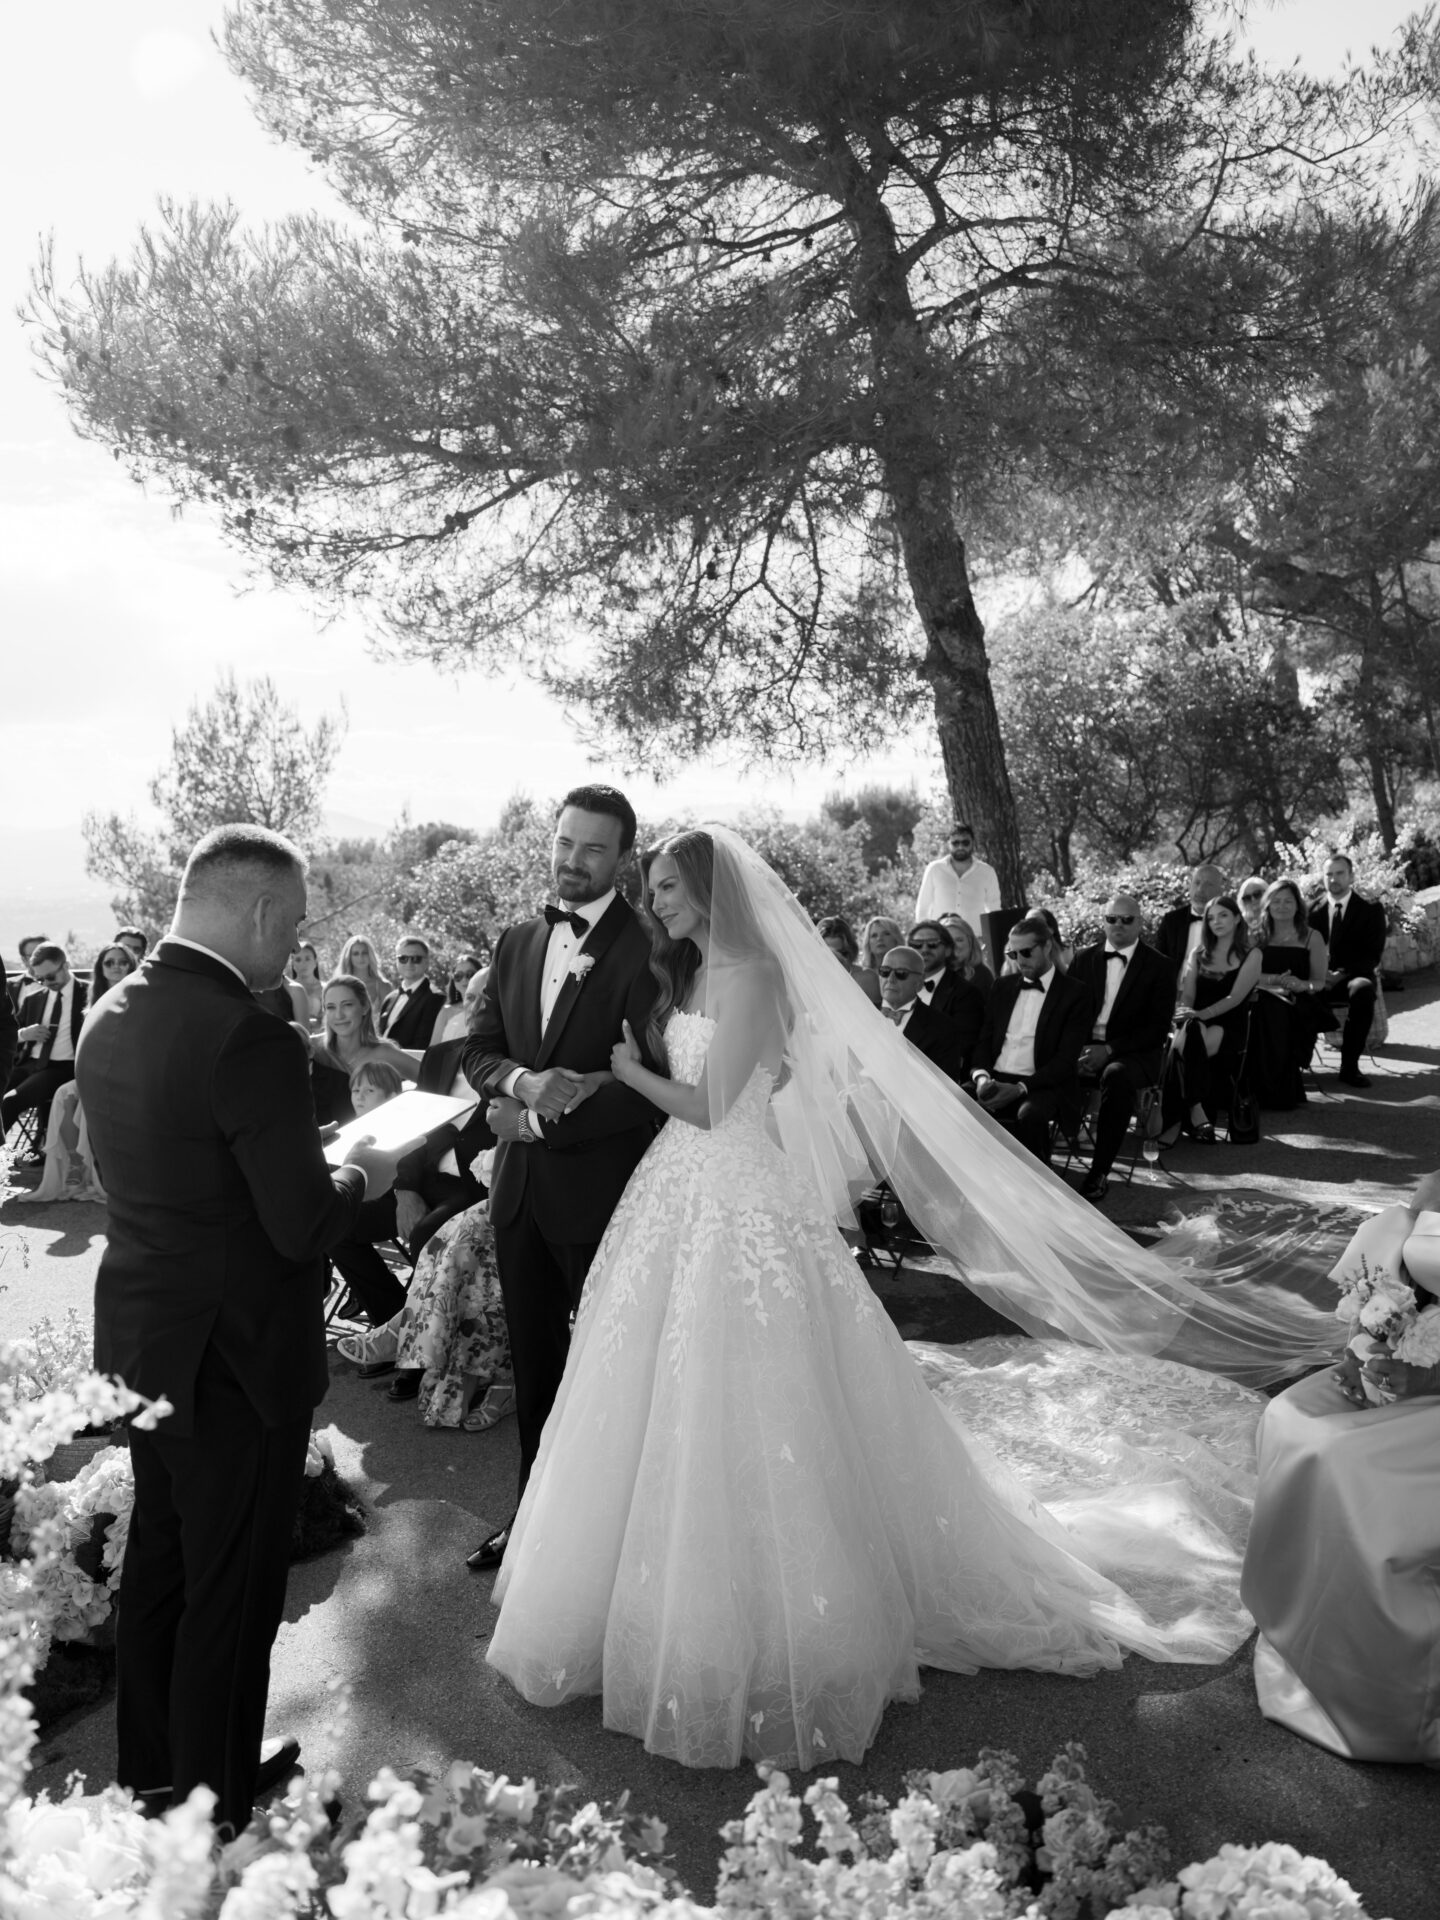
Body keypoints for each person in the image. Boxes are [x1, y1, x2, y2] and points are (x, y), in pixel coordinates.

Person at [485, 825, 1332, 1772]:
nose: (660, 902)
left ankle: (787, 1607)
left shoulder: (756, 974)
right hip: (676, 1193)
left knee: (761, 1385)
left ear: (714, 890)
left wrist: (633, 1071)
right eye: (654, 888)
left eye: (671, 886)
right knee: (656, 1377)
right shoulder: (681, 975)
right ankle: (646, 1595)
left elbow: (717, 1105)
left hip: (734, 1191)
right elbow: (777, 1073)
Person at [75, 823, 399, 1836]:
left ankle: (156, 1773)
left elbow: (192, 1165)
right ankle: (212, 1801)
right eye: (294, 924)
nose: (295, 947)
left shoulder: (111, 1012)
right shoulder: (248, 1033)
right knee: (233, 1587)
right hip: (235, 1355)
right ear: (257, 910)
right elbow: (301, 1221)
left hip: (145, 1340)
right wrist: (362, 1173)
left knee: (163, 1566)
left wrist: (296, 1158)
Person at [460, 785, 662, 1573]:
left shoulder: (650, 947)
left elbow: (654, 1083)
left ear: (623, 859)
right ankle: (533, 1522)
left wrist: (538, 1120)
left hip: (603, 1191)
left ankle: (619, 1538)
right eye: (564, 843)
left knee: (610, 1367)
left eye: (593, 849)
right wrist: (516, 1084)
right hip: (518, 1197)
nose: (572, 862)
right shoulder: (515, 940)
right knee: (537, 1366)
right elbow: (476, 1051)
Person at [1241, 1174, 1440, 1763]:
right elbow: (1394, 1268)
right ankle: (1296, 1627)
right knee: (1288, 1415)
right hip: (1415, 1364)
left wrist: (1428, 1373)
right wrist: (1369, 1346)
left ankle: (1383, 1697)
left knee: (1348, 1461)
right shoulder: (1435, 1187)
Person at [1067, 896, 1178, 1203]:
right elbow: (1069, 1013)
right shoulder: (1083, 958)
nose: (1118, 925)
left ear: (1140, 924)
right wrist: (1078, 1049)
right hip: (1086, 1048)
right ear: (1103, 921)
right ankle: (1036, 1163)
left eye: (1127, 919)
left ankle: (1099, 1171)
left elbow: (1156, 1030)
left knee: (1116, 1077)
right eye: (1112, 918)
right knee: (1046, 1066)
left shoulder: (1160, 966)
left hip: (1134, 1053)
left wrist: (1111, 1050)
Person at [966, 916, 1092, 1164]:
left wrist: (1020, 1089)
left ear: (1047, 947)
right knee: (954, 1101)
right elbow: (983, 1042)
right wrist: (981, 1079)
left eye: (1026, 952)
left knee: (1030, 1116)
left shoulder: (1075, 993)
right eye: (1013, 954)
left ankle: (1040, 1186)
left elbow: (1065, 1060)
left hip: (1042, 1083)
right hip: (994, 1077)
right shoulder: (1001, 987)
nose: (1020, 960)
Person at [1161, 896, 1261, 1144]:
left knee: (1181, 1047)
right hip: (1195, 1024)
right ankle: (1195, 1110)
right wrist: (1187, 1013)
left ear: (1237, 918)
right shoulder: (1198, 953)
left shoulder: (1252, 954)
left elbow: (1235, 997)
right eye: (1211, 917)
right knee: (1192, 1034)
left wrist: (1199, 1015)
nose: (1217, 921)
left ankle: (1173, 1119)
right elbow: (1189, 995)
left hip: (1230, 1026)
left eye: (1224, 915)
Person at [1251, 879, 1334, 1110]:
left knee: (1274, 1011)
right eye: (1276, 901)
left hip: (1301, 1000)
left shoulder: (1312, 937)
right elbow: (1246, 975)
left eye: (1288, 901)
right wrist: (1274, 980)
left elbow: (1318, 982)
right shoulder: (1256, 935)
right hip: (1262, 995)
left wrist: (1300, 984)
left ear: (1298, 905)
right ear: (1267, 905)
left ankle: (1277, 1092)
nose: (1282, 906)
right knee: (1263, 1008)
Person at [1310, 852, 1388, 1089]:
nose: (1334, 879)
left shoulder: (1370, 909)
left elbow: (1372, 953)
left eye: (1340, 873)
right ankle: (1293, 1067)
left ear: (1351, 876)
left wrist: (1340, 974)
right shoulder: (1310, 911)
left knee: (1363, 991)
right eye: (1329, 874)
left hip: (1353, 977)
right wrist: (1321, 975)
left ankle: (1349, 1067)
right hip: (1317, 978)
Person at [310, 974, 418, 1127]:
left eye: (347, 1005)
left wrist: (404, 1112)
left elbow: (436, 1080)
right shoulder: (312, 1049)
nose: (339, 1015)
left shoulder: (383, 1053)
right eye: (331, 1007)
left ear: (364, 1007)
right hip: (316, 1145)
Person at [3, 944, 88, 1139]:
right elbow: (10, 1033)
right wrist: (25, 1034)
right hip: (28, 1063)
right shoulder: (34, 998)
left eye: (50, 977)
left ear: (66, 966)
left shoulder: (87, 993)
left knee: (10, 1102)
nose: (46, 983)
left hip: (61, 1067)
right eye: (39, 979)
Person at [876, 945, 968, 1080]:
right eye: (885, 971)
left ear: (919, 982)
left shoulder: (943, 1028)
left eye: (901, 973)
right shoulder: (859, 1013)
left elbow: (946, 1088)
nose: (890, 979)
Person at [915, 821, 1002, 928]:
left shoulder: (987, 872)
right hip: (941, 937)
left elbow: (994, 909)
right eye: (955, 843)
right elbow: (923, 907)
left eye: (965, 843)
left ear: (973, 843)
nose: (960, 847)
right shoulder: (934, 869)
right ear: (948, 844)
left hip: (975, 938)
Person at [1154, 863, 1227, 971]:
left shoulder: (1227, 923)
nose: (1200, 890)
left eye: (1208, 885)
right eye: (1196, 883)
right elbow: (1157, 962)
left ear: (1220, 891)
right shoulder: (1171, 920)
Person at [380, 935, 446, 1047]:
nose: (409, 963)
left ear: (427, 962)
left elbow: (422, 1044)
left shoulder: (435, 998)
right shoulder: (390, 998)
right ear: (396, 961)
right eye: (403, 958)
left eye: (416, 959)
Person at [817, 914, 880, 1005]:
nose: (836, 959)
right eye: (828, 954)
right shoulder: (808, 983)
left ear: (850, 949)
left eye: (842, 953)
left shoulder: (866, 979)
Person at [431, 951, 487, 1043]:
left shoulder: (490, 1008)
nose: (464, 979)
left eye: (470, 974)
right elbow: (432, 1050)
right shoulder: (445, 1012)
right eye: (458, 976)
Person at [939, 912, 995, 1001]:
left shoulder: (982, 975)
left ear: (971, 943)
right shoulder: (933, 975)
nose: (954, 945)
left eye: (959, 940)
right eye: (948, 941)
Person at [337, 935, 392, 1020]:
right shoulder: (339, 987)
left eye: (364, 953)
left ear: (370, 955)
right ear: (348, 957)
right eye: (356, 954)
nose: (361, 957)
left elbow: (390, 1020)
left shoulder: (383, 986)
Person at [286, 941, 325, 1027]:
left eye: (307, 959)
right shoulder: (286, 989)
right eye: (298, 960)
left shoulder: (326, 988)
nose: (303, 963)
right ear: (293, 964)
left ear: (315, 961)